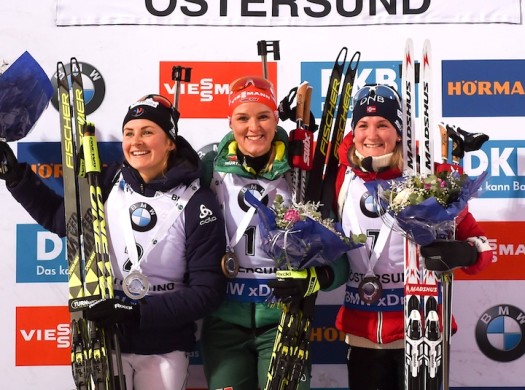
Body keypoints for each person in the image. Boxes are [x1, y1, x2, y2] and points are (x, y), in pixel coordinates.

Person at [0, 94, 227, 390]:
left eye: (148, 132)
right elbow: (61, 221)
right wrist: (15, 176)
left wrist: (135, 312)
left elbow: (207, 293)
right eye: (129, 133)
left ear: (170, 141)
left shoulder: (199, 201)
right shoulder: (106, 183)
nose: (136, 142)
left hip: (165, 346)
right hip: (104, 339)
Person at [333, 83, 493, 390]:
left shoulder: (426, 176)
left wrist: (466, 253)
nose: (372, 135)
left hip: (423, 330)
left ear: (399, 132)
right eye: (363, 125)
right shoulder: (342, 176)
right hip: (363, 328)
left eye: (383, 125)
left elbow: (481, 246)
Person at [199, 76, 339, 390]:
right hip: (224, 323)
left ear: (276, 119)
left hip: (284, 320)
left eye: (263, 116)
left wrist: (318, 279)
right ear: (230, 122)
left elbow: (338, 250)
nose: (254, 127)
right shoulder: (210, 168)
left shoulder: (301, 170)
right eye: (243, 117)